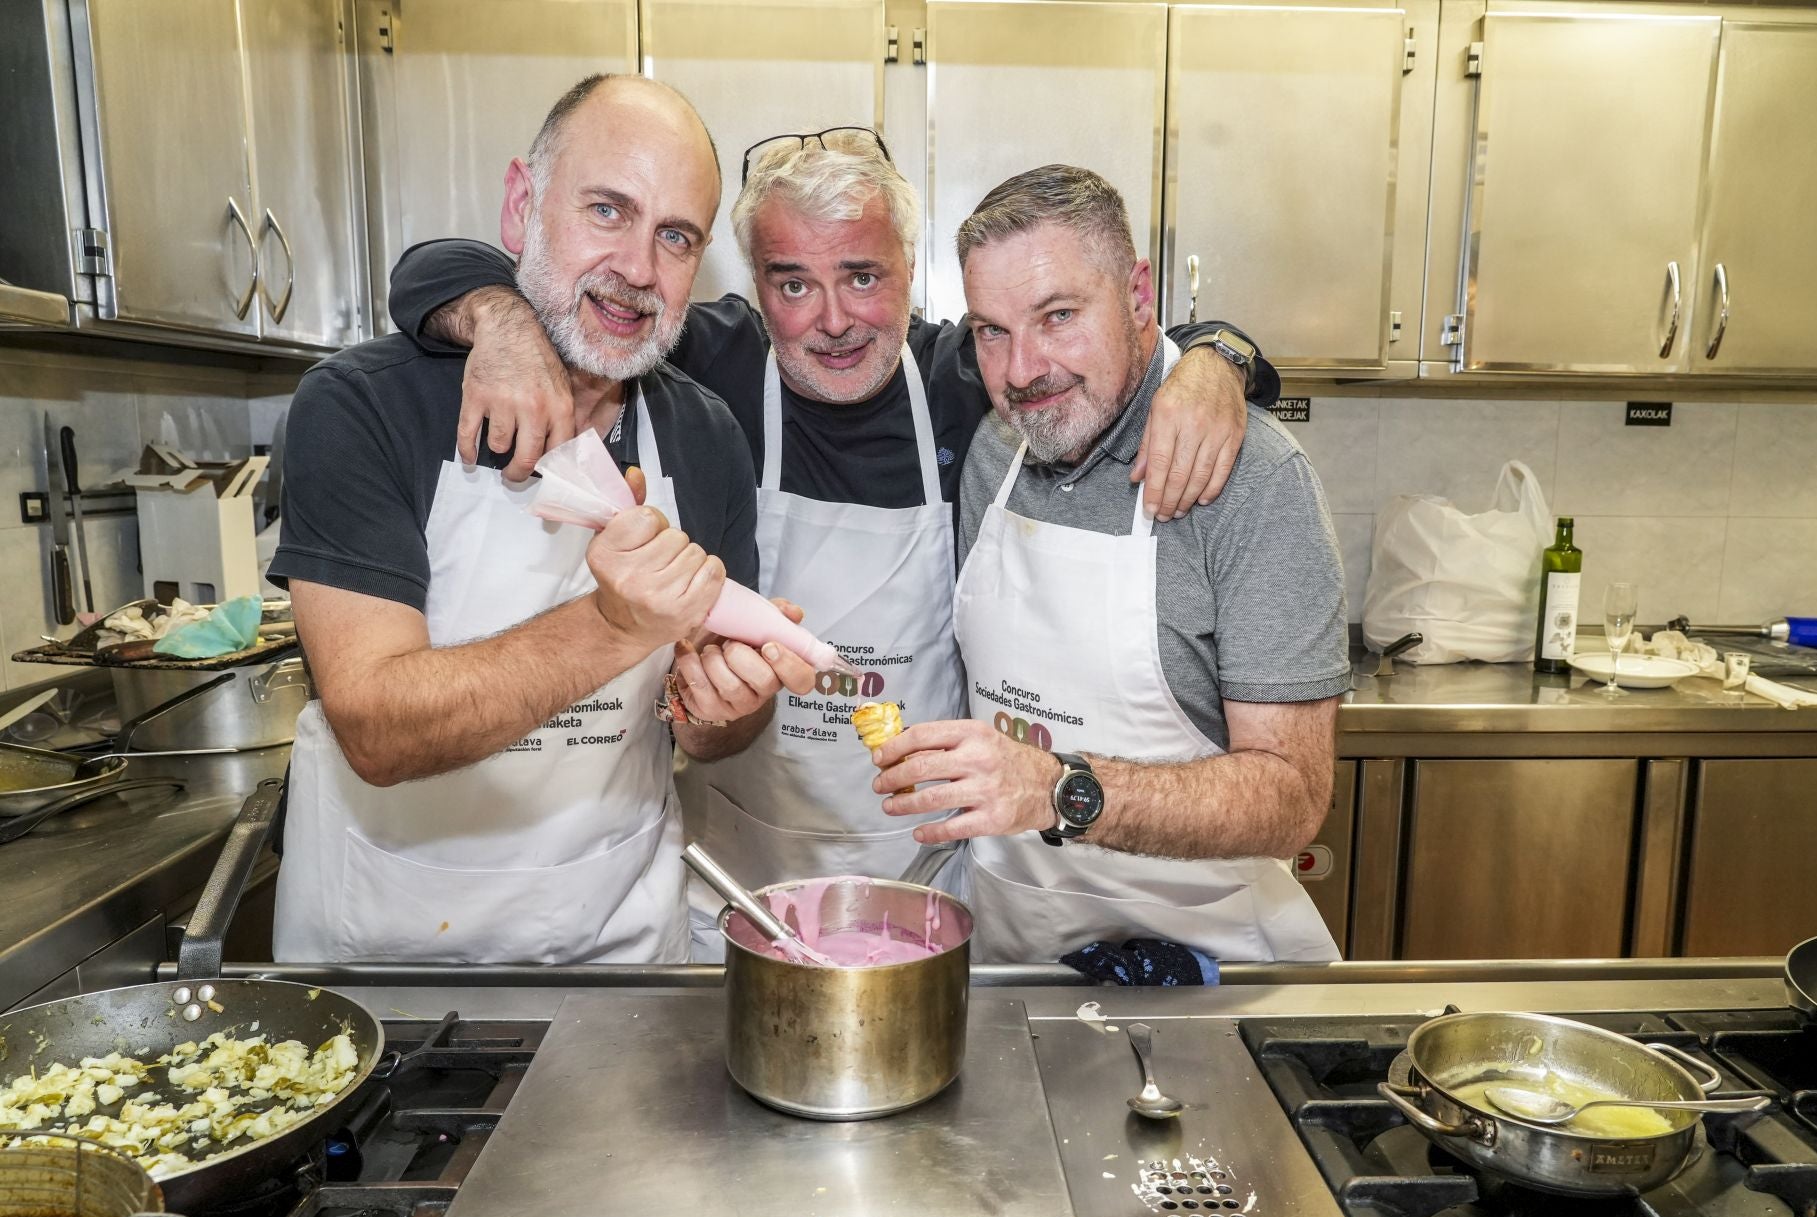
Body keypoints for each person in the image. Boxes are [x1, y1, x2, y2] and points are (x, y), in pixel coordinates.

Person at [384, 128, 1279, 959]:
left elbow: (1124, 338)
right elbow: (432, 268)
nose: (833, 319)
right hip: (740, 866)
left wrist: (1216, 358)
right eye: (792, 283)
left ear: (910, 270)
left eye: (862, 275)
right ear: (753, 287)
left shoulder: (974, 377)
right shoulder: (704, 363)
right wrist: (499, 321)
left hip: (927, 867)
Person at [268, 74, 815, 965]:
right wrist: (611, 627)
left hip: (621, 954)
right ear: (522, 205)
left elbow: (710, 730)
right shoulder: (360, 407)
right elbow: (373, 722)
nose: (638, 269)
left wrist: (724, 707)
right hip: (385, 963)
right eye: (607, 210)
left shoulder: (704, 437)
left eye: (674, 237)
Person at [871, 165, 1350, 964]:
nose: (1022, 371)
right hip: (1016, 964)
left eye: (1058, 316)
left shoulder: (1253, 479)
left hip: (1211, 972)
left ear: (1138, 294)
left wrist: (1059, 789)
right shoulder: (994, 452)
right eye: (991, 330)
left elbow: (1292, 797)